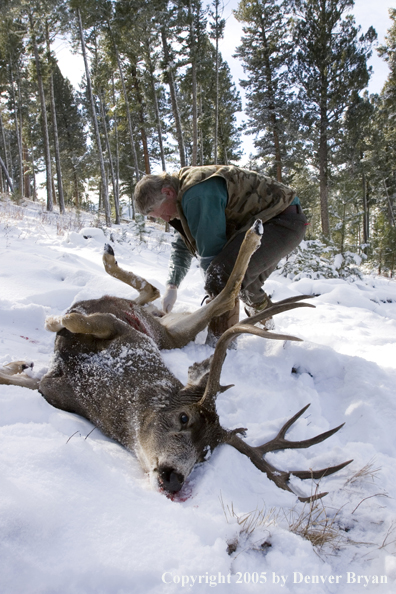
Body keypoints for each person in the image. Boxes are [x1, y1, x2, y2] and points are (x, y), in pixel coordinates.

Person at [134, 165, 307, 341]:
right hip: (268, 223)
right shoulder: (183, 197)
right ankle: (268, 332)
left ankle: (220, 344)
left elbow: (211, 254)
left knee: (223, 278)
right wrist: (172, 285)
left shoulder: (196, 193)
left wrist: (214, 288)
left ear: (168, 192)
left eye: (162, 213)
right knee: (247, 286)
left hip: (282, 222)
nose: (166, 219)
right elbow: (183, 244)